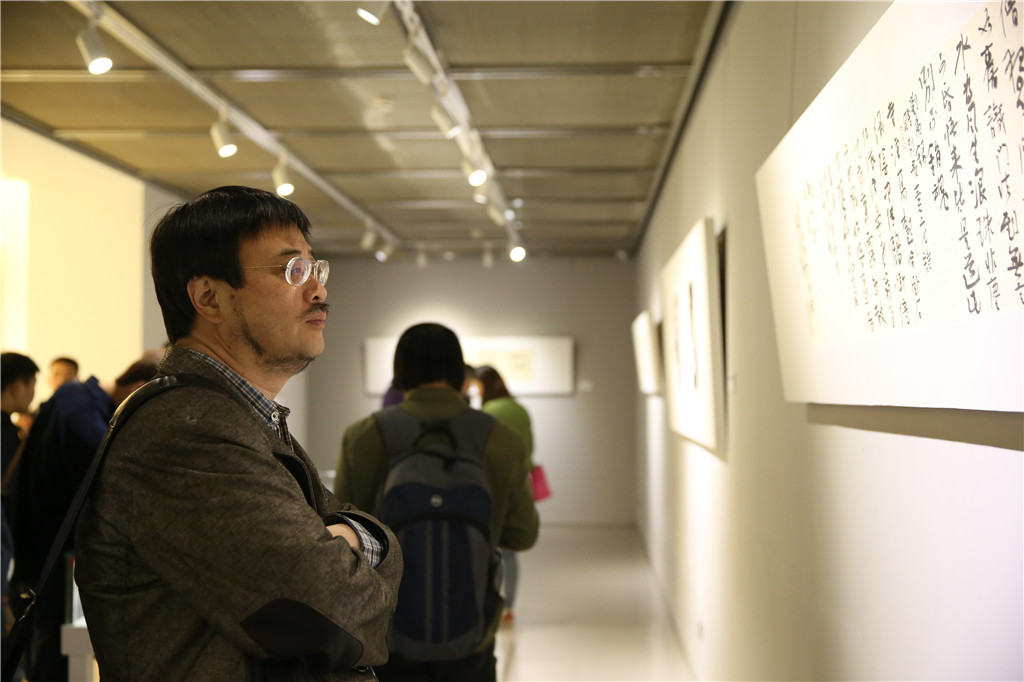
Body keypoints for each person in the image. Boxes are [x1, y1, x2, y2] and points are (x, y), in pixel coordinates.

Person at [74, 186, 402, 681]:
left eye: (315, 268)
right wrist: (357, 546)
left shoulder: (239, 418)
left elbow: (350, 540)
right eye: (292, 270)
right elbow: (333, 611)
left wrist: (357, 537)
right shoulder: (188, 432)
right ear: (210, 298)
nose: (318, 290)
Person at [335, 323, 539, 682]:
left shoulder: (364, 437)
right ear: (460, 373)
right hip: (472, 634)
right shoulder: (500, 438)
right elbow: (523, 534)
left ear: (399, 373)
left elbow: (345, 540)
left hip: (387, 635)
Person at [10, 356, 159, 682]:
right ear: (138, 389)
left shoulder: (77, 399)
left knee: (51, 649)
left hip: (43, 553)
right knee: (54, 654)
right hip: (52, 557)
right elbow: (111, 478)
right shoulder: (82, 411)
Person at [473, 365, 534, 625]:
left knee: (490, 550)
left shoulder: (490, 411)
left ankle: (491, 604)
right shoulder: (520, 409)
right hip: (519, 484)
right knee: (509, 552)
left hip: (493, 487)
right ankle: (508, 608)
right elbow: (529, 448)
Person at [1, 352, 39, 516]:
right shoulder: (6, 433)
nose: (33, 393)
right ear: (17, 388)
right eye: (33, 385)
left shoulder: (10, 428)